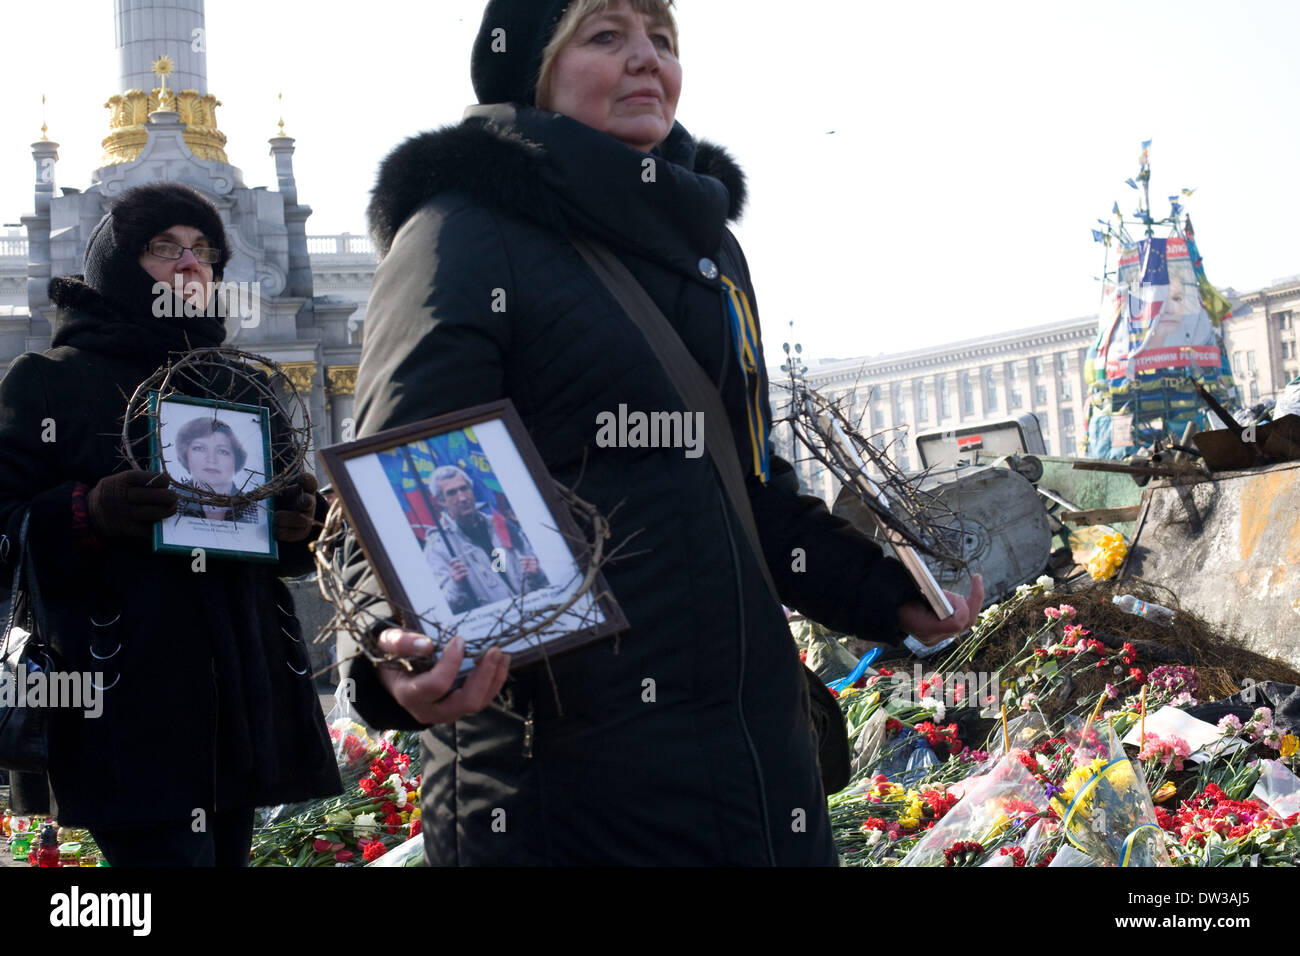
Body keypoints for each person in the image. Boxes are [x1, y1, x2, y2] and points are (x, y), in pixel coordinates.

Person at [340, 0, 983, 866]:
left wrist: (881, 593)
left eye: (663, 39)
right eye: (606, 36)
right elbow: (396, 480)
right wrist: (391, 638)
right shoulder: (459, 234)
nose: (648, 60)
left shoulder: (708, 246)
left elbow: (749, 489)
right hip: (563, 774)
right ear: (530, 70)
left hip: (755, 754)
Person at [0, 182, 341, 866]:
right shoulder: (46, 380)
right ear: (121, 265)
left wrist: (300, 525)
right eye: (165, 249)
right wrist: (88, 513)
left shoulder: (239, 384)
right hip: (121, 706)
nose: (191, 266)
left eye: (204, 251)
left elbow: (279, 545)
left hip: (244, 701)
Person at [422, 465, 549, 613]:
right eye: (452, 493)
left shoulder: (501, 526)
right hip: (492, 625)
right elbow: (443, 608)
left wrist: (537, 574)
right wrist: (456, 584)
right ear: (441, 501)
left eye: (464, 489)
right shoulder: (437, 547)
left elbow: (542, 578)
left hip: (533, 611)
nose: (462, 498)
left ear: (472, 490)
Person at [173, 416, 261, 523]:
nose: (211, 459)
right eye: (200, 448)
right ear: (186, 456)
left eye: (222, 451)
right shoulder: (170, 501)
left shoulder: (257, 509)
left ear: (236, 459)